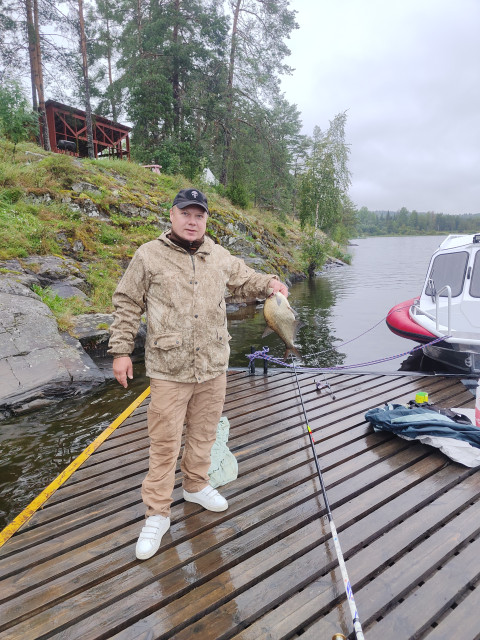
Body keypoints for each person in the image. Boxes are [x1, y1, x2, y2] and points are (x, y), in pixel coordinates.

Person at [108, 188, 288, 560]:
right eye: (186, 214)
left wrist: (270, 283)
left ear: (206, 220)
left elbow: (245, 279)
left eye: (199, 215)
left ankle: (195, 484)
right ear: (172, 216)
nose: (193, 221)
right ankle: (157, 514)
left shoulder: (217, 254)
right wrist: (122, 351)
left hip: (212, 365)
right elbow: (127, 303)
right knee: (164, 443)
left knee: (205, 434)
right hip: (169, 369)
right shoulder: (148, 255)